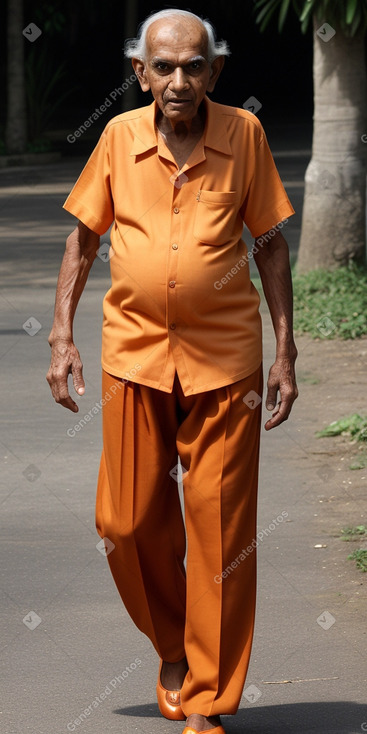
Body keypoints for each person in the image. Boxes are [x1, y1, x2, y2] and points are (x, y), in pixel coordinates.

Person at [46, 8, 298, 734]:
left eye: (194, 66)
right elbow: (83, 238)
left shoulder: (242, 135)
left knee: (220, 533)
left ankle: (208, 701)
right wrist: (61, 335)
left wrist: (284, 350)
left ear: (215, 71)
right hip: (133, 356)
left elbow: (271, 246)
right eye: (164, 67)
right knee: (122, 523)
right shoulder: (119, 137)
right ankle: (171, 646)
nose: (179, 80)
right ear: (140, 73)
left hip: (226, 363)